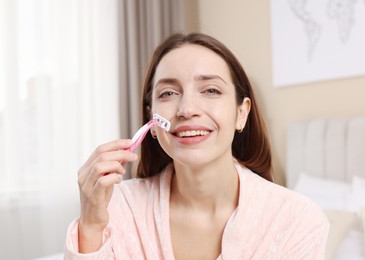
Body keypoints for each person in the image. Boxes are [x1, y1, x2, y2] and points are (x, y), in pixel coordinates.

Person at [64, 32, 329, 259]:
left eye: (211, 90)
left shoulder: (299, 220)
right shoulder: (118, 206)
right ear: (151, 119)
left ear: (241, 113)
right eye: (168, 93)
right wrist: (91, 226)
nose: (187, 109)